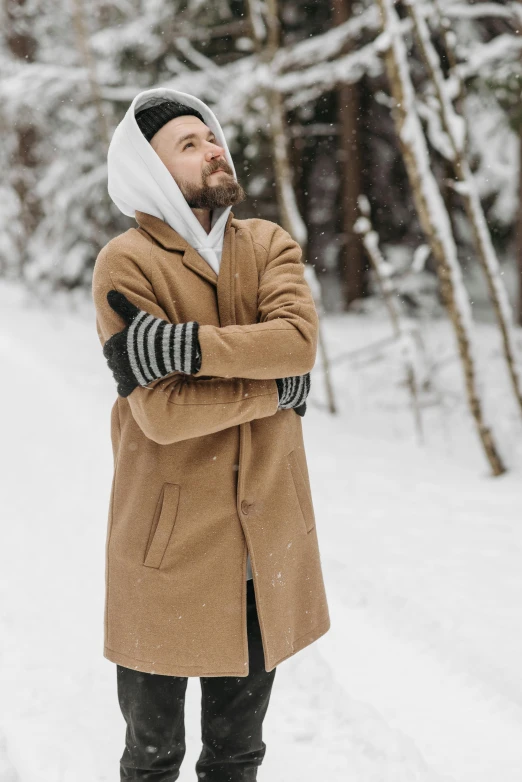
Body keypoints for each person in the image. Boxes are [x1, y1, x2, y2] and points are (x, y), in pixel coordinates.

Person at [91, 87, 330, 781]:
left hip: (265, 545)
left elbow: (297, 344)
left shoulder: (268, 244)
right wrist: (272, 391)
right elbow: (161, 414)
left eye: (211, 136)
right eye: (188, 145)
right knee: (152, 756)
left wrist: (187, 349)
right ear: (151, 171)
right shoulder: (127, 262)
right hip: (165, 550)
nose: (212, 150)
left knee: (238, 755)